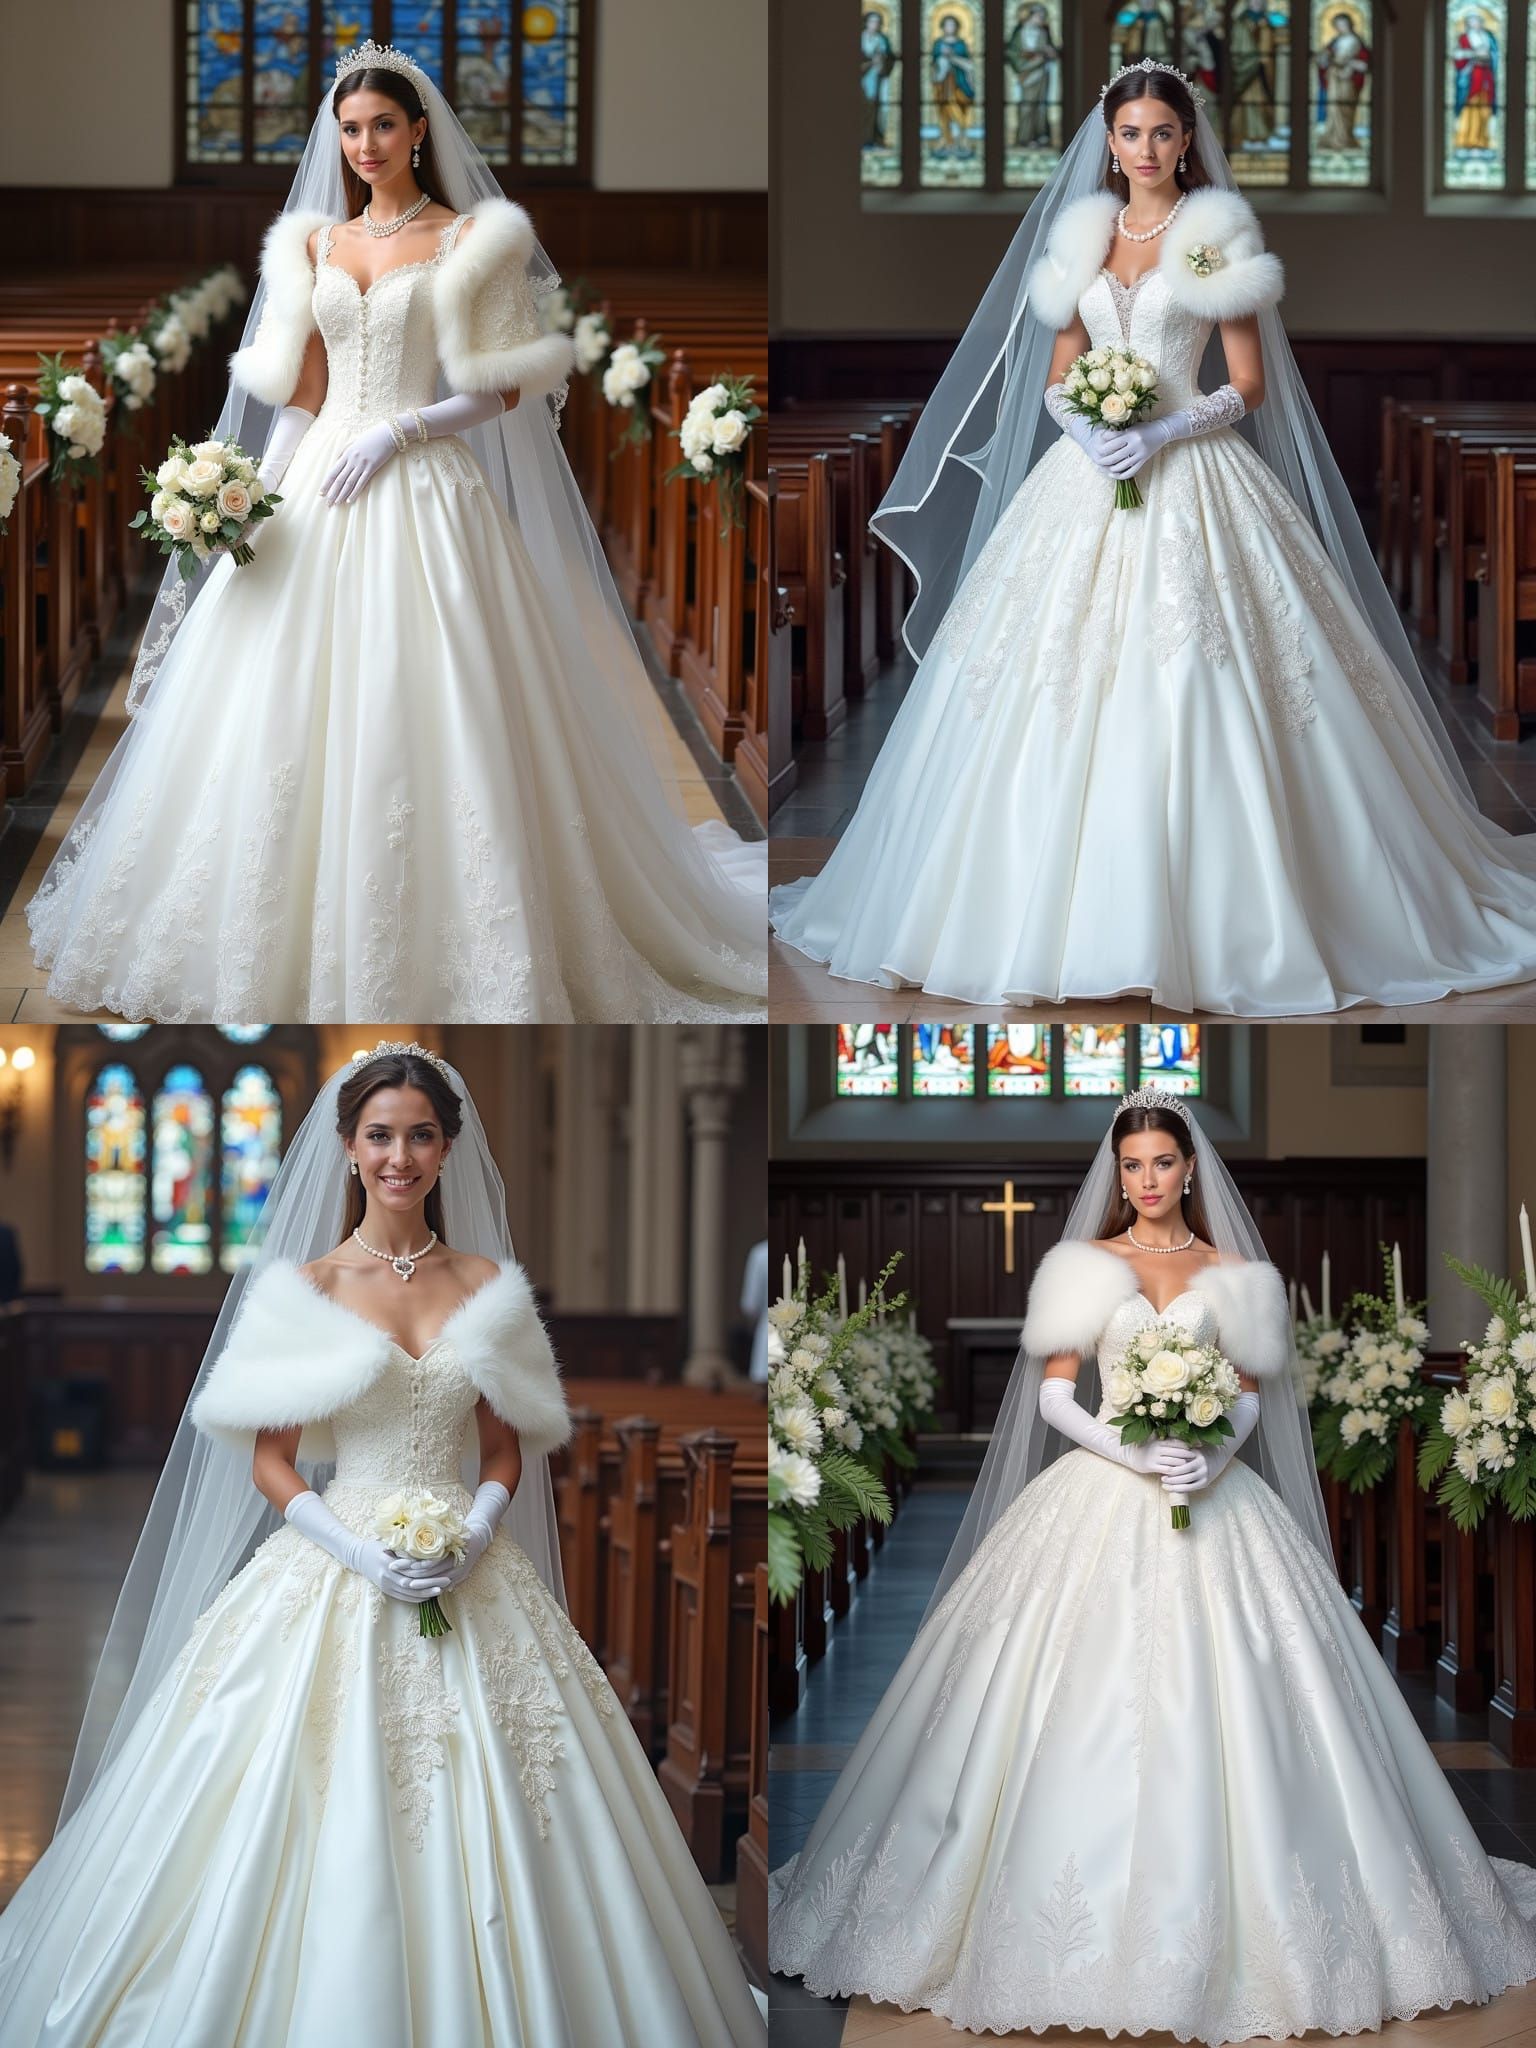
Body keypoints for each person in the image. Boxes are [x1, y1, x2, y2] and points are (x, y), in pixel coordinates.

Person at [0, 1043, 765, 2047]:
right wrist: (356, 1551)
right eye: (379, 1135)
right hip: (337, 1559)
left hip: (468, 1564)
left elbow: (502, 1448)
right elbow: (270, 1461)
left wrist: (475, 1530)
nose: (398, 1155)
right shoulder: (307, 1285)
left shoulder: (486, 1280)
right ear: (348, 1148)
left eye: (419, 1134)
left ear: (446, 1149)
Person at [769, 60, 1536, 1015]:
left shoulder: (1213, 238)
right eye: (1128, 134)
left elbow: (1247, 379)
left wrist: (1162, 429)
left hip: (1194, 474)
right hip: (1084, 479)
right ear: (1109, 139)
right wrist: (1088, 426)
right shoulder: (1083, 234)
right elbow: (1058, 370)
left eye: (1162, 134)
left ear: (1188, 138)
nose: (1144, 151)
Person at [768, 1087, 1536, 2039]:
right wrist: (1129, 1451)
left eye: (1162, 1163)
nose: (1147, 1181)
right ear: (1117, 1172)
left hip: (1217, 1500)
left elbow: (1249, 1394)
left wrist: (1211, 1455)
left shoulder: (1234, 1271)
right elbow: (1054, 1395)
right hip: (1101, 1492)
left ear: (1189, 1168)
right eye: (1131, 1166)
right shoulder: (1085, 1265)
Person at [26, 40, 766, 1027]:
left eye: (382, 126)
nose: (365, 144)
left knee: (442, 703)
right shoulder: (317, 246)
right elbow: (304, 396)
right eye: (349, 130)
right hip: (319, 486)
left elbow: (501, 386)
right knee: (270, 713)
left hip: (424, 483)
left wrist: (401, 430)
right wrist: (249, 494)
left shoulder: (473, 241)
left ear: (419, 130)